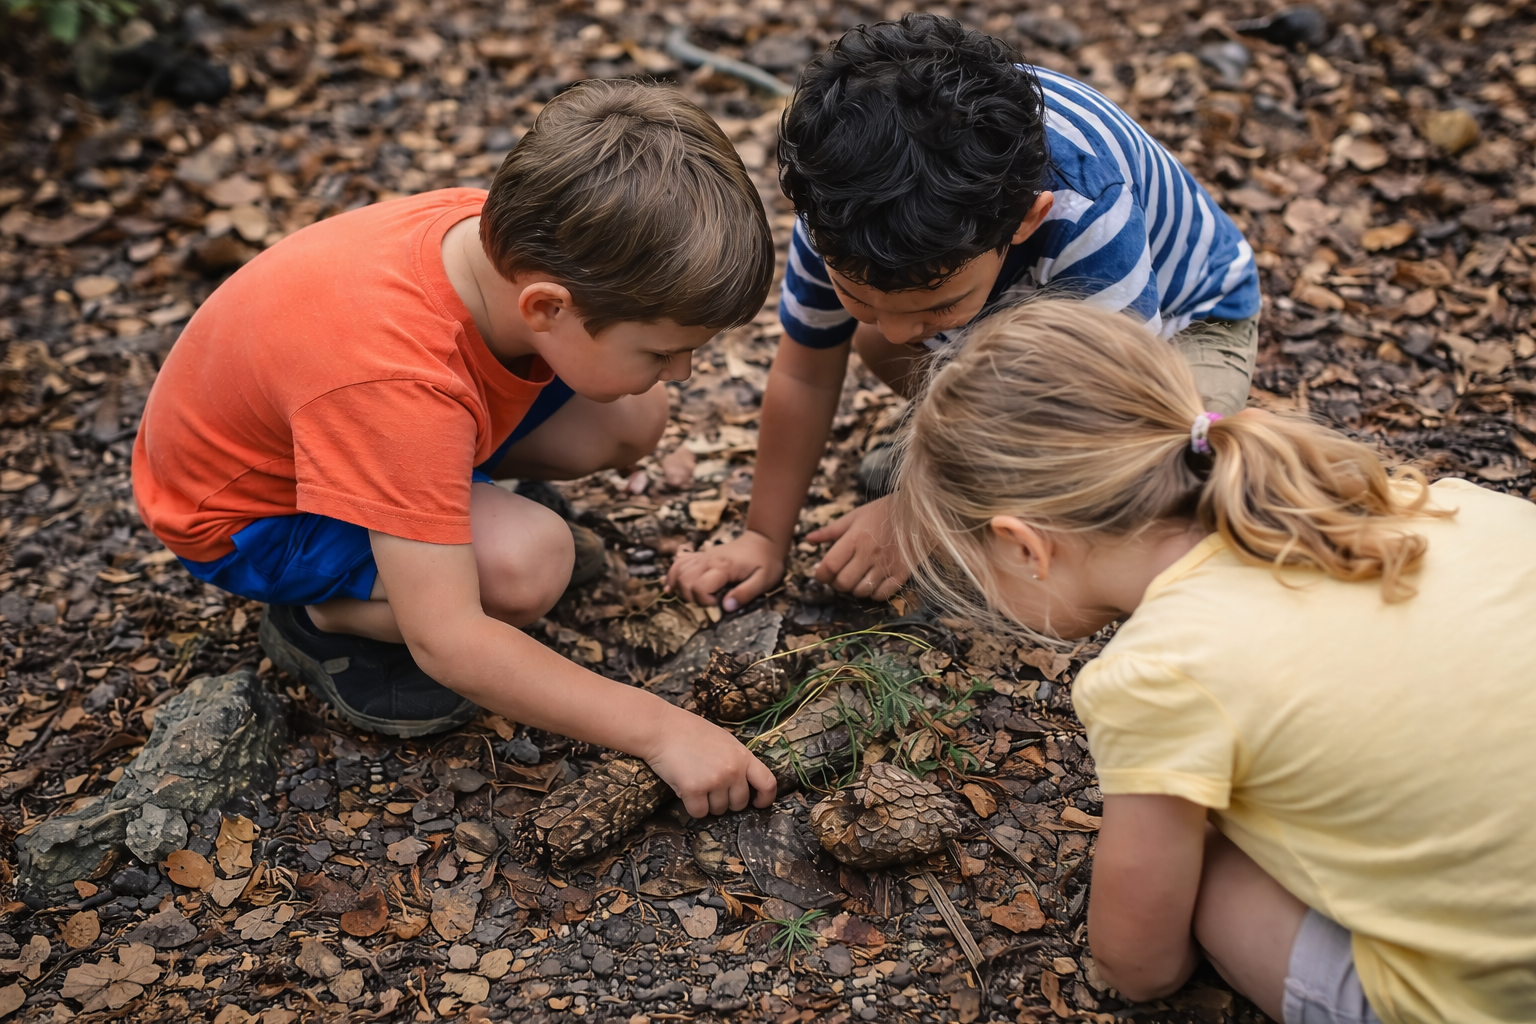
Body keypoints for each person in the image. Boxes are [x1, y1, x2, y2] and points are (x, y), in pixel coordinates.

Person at [132, 80, 780, 818]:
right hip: (250, 516)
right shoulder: (398, 382)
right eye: (665, 348)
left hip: (363, 430)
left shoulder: (509, 238)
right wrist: (662, 731)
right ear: (544, 307)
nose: (685, 370)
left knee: (632, 416)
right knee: (527, 569)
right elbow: (451, 643)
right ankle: (324, 616)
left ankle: (431, 514)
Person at [891, 299, 1536, 1024]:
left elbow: (1139, 965)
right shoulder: (1441, 504)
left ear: (1023, 546)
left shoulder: (1160, 672)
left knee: (1212, 876)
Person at [667, 13, 1262, 613]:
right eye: (859, 296)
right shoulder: (840, 207)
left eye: (939, 302)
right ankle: (971, 461)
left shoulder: (1086, 207)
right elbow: (804, 371)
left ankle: (965, 474)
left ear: (1028, 219)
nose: (899, 331)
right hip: (1020, 327)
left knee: (1154, 492)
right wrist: (763, 538)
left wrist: (923, 515)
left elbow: (1100, 418)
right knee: (875, 341)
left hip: (1181, 333)